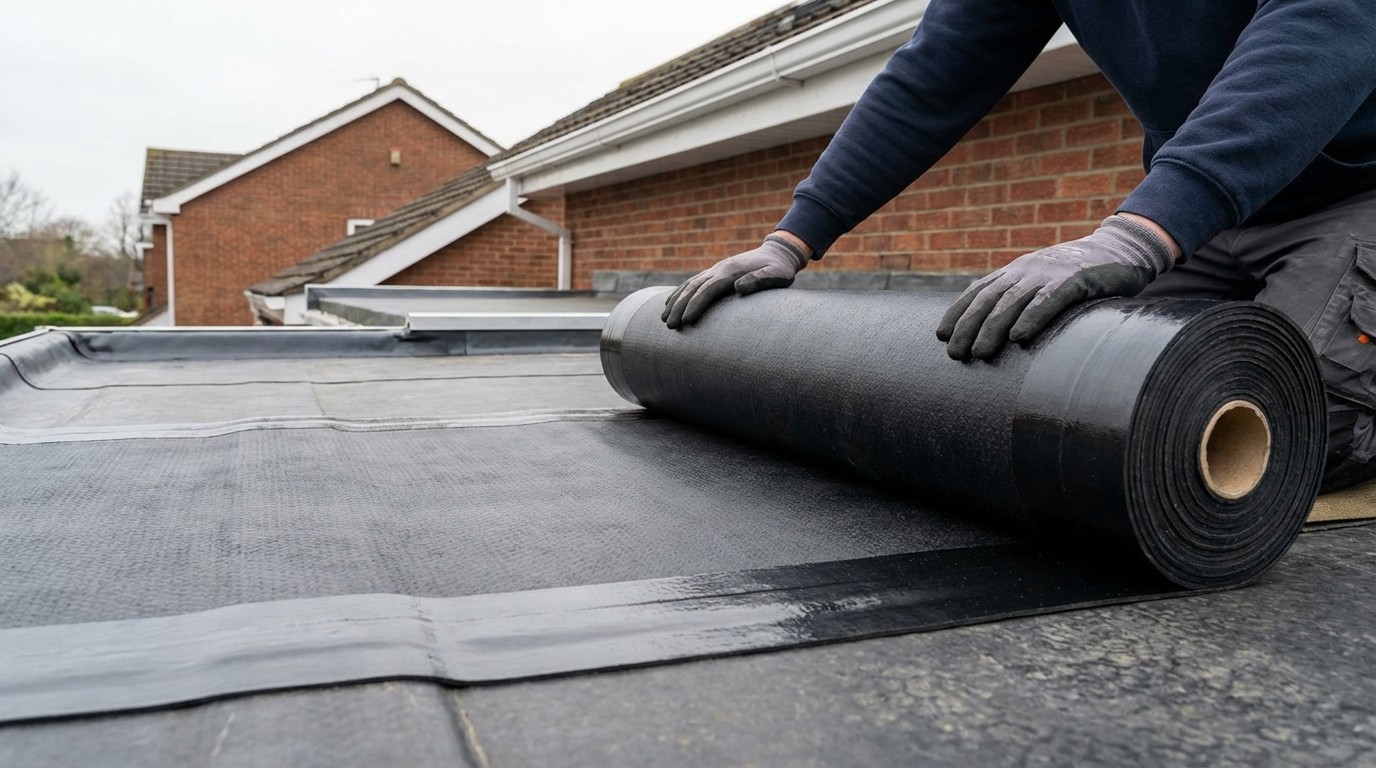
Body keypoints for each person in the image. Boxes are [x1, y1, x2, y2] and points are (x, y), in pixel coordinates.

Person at [661, 0, 1376, 491]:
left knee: (1290, 432)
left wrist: (1141, 231)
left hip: (1359, 191)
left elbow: (1322, 28)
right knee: (1094, 397)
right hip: (1218, 215)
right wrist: (791, 238)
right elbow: (932, 77)